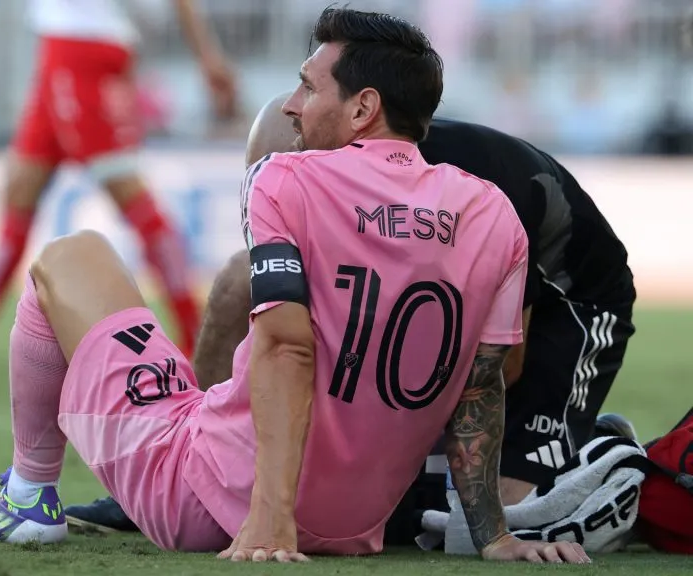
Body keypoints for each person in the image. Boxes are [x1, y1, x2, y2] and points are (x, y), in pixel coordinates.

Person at [0, 8, 590, 563]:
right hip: (354, 530)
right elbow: (482, 383)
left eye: (307, 86)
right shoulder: (493, 214)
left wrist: (271, 515)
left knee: (71, 256)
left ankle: (28, 495)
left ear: (363, 108)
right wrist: (494, 537)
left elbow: (288, 348)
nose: (291, 104)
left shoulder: (285, 178)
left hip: (213, 500)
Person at [66, 92, 638, 536]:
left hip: (572, 305)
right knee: (243, 277)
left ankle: (594, 453)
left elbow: (496, 366)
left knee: (492, 512)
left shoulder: (463, 199)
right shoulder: (315, 178)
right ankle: (198, 458)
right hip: (448, 299)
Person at [0, 0, 238, 382]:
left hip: (80, 51)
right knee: (20, 190)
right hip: (64, 46)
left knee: (132, 198)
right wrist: (207, 55)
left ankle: (201, 339)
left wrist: (207, 55)